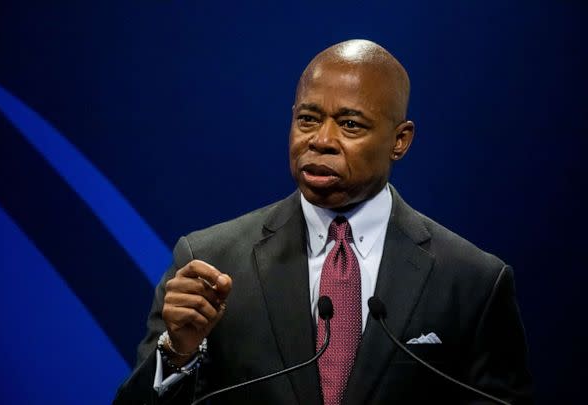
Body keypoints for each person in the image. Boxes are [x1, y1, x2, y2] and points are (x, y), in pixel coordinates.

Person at [114, 39, 533, 404]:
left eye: (350, 125)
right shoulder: (210, 262)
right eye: (308, 119)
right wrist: (178, 354)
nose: (321, 140)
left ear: (400, 141)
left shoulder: (473, 282)